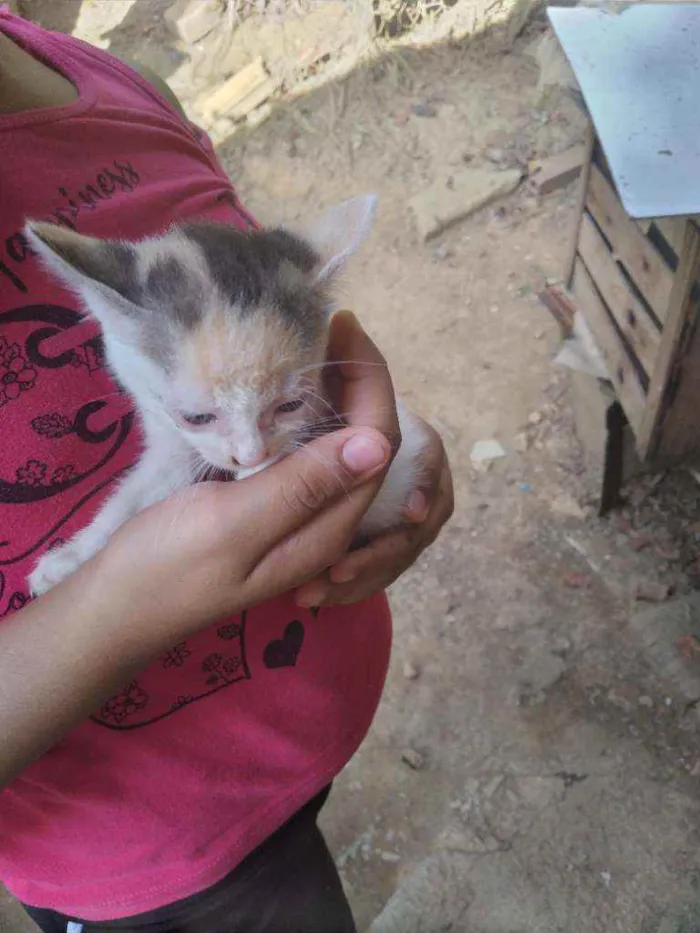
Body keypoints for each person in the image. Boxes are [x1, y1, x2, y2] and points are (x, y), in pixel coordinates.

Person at [0, 8, 453, 932]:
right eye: (202, 418)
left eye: (275, 414)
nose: (246, 458)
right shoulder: (117, 304)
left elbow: (276, 344)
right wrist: (113, 603)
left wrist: (386, 458)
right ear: (100, 314)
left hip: (306, 735)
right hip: (138, 860)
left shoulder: (114, 87)